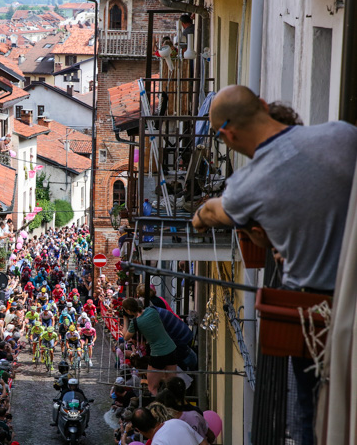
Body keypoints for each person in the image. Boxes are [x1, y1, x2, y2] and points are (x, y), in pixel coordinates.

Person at [192, 85, 357, 444]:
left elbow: (211, 212)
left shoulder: (246, 187)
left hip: (316, 313)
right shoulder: (342, 135)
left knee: (310, 418)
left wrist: (199, 219)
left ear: (228, 135)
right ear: (264, 106)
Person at [122, 297, 177, 395]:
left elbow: (125, 337)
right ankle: (172, 405)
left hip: (158, 353)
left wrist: (125, 319)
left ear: (129, 311)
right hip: (171, 348)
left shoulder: (135, 323)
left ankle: (159, 408)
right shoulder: (151, 310)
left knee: (152, 387)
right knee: (171, 383)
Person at [130, 407, 207, 445]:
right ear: (153, 416)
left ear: (138, 430)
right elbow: (203, 443)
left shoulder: (157, 443)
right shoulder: (177, 422)